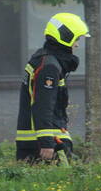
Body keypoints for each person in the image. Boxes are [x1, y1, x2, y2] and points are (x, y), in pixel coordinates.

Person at [16, 12, 89, 163]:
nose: (77, 44)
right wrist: (46, 142)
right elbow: (43, 105)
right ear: (66, 37)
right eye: (76, 39)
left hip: (39, 142)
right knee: (65, 183)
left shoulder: (44, 61)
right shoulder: (49, 67)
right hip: (49, 145)